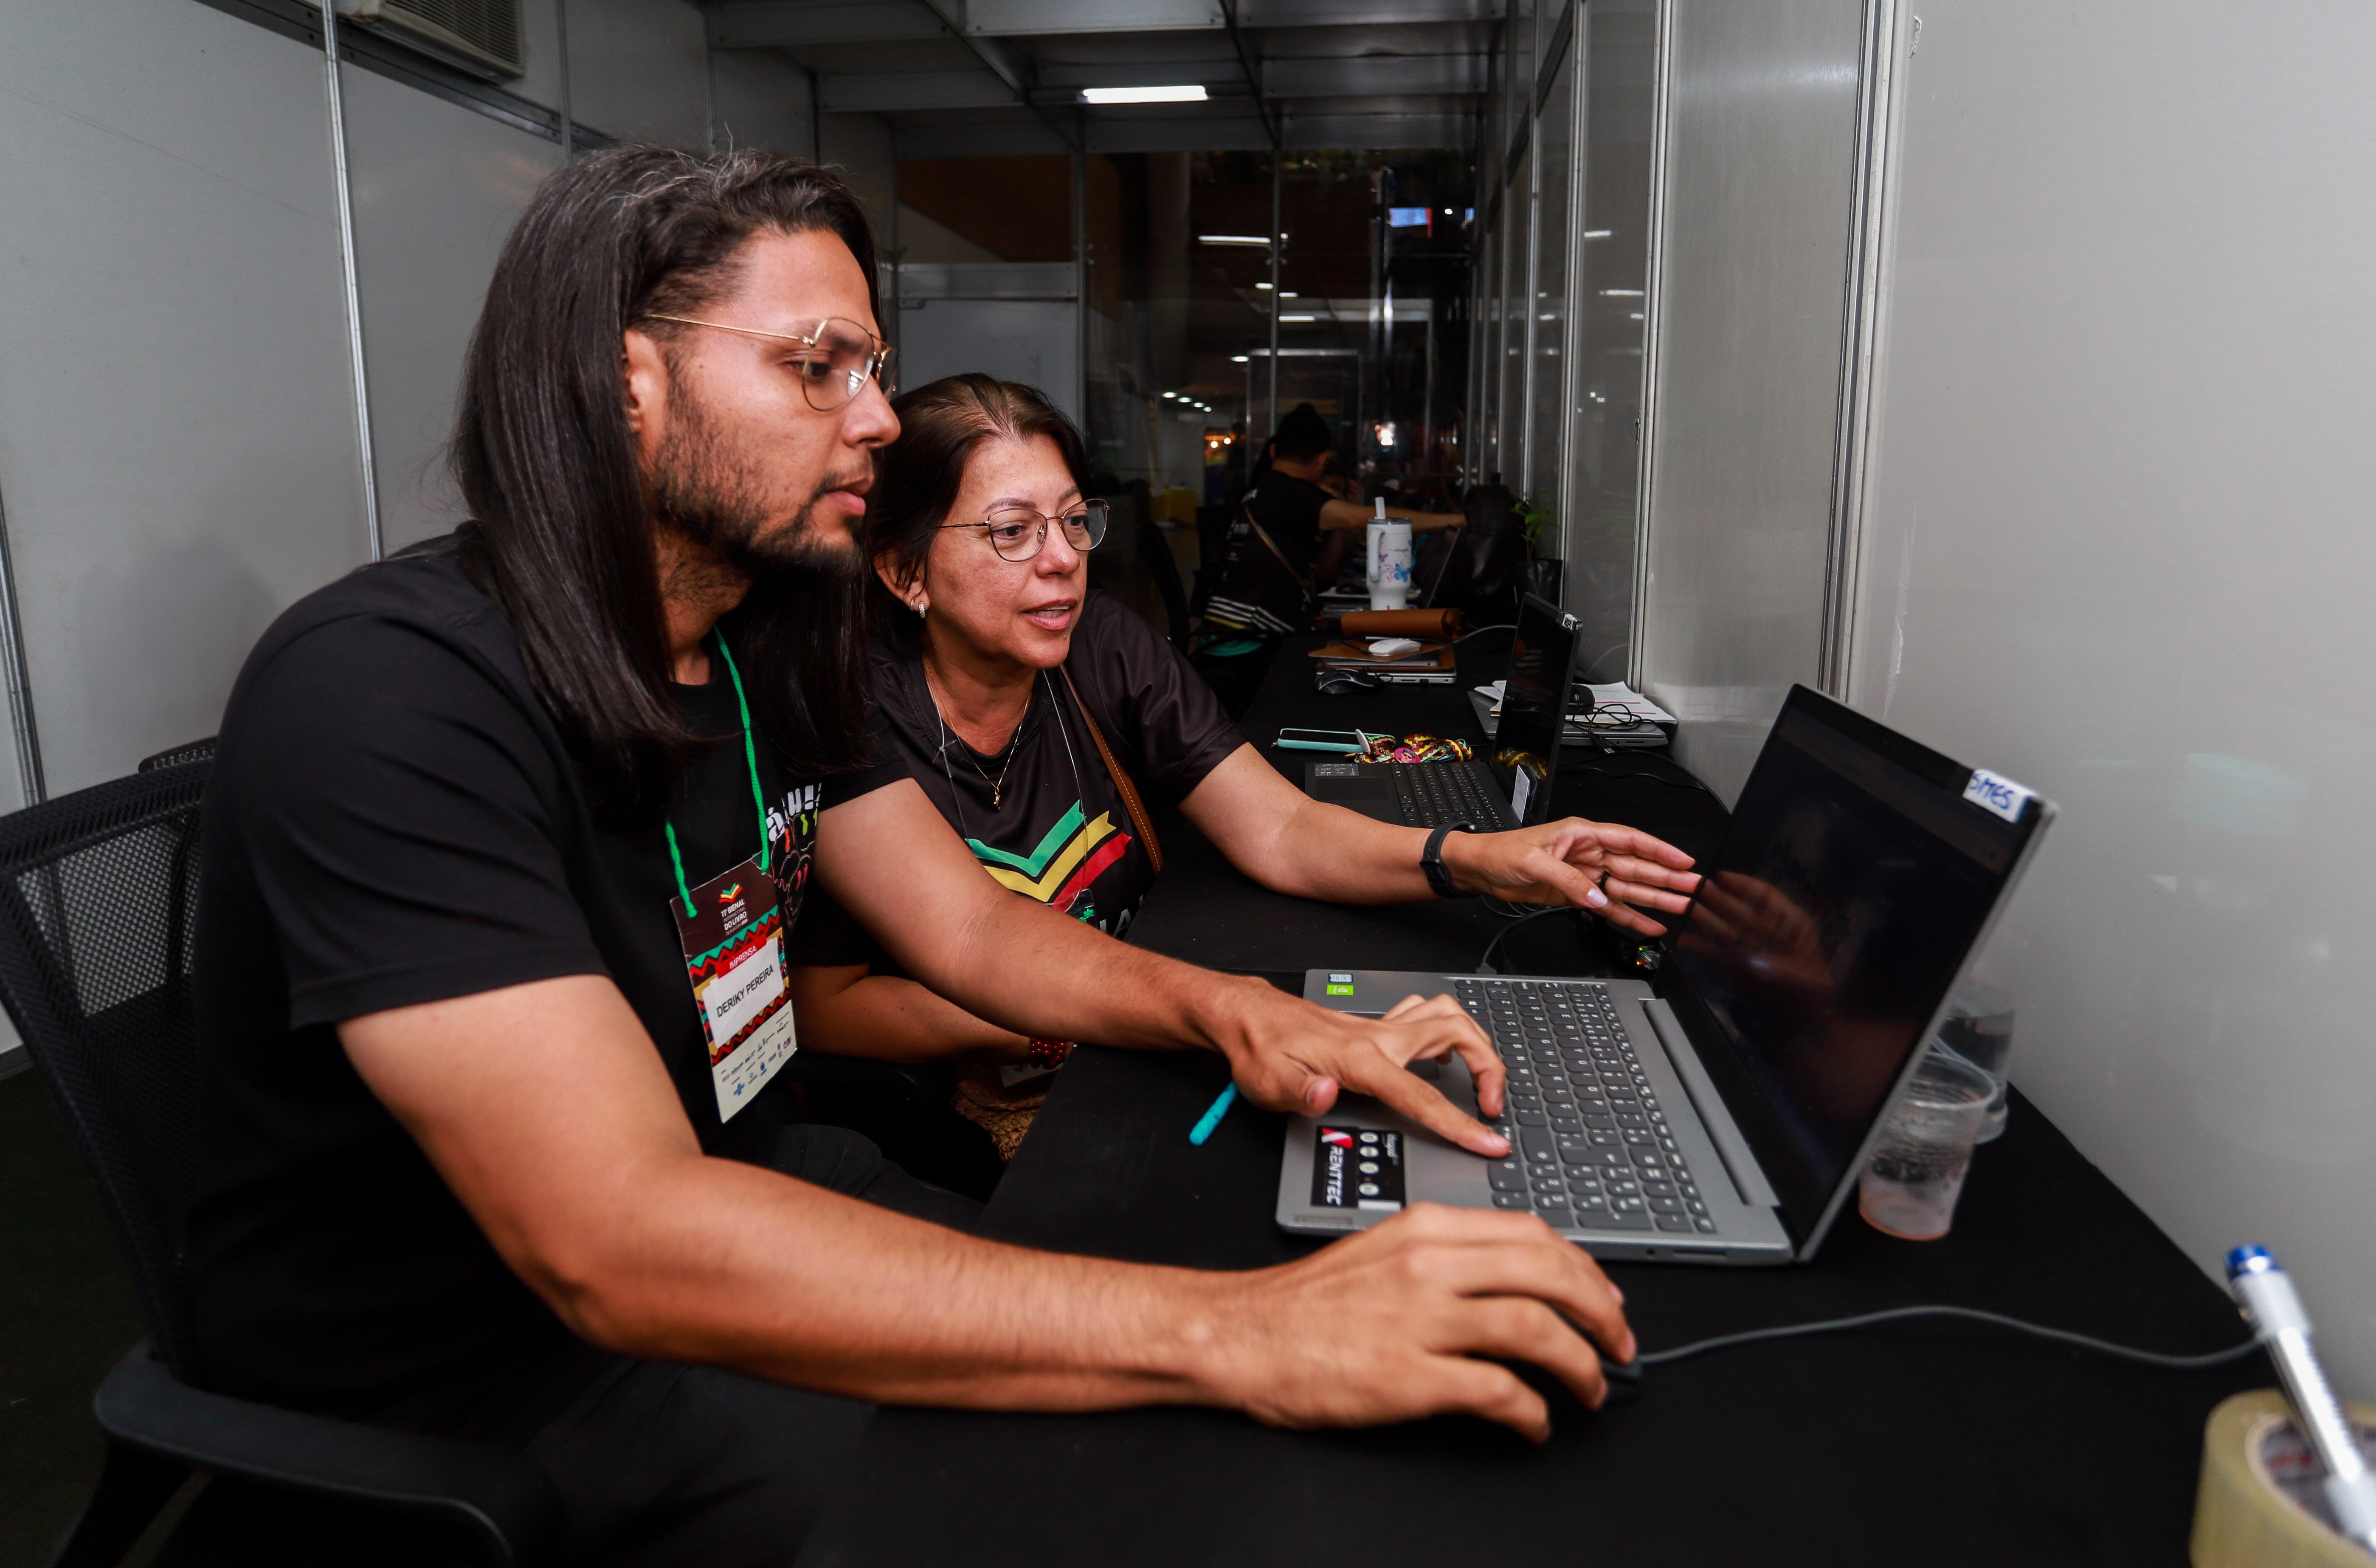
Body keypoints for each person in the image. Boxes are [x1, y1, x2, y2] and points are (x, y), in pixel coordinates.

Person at [186, 146, 1635, 1567]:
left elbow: (975, 932)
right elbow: (614, 1239)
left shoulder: (757, 648)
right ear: (625, 382)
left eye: (870, 368)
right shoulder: (388, 689)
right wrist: (1237, 1334)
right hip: (498, 1373)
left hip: (766, 1179)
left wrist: (1243, 1012)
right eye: (818, 366)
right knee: (1156, 1455)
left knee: (1203, 1356)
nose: (877, 418)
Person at [785, 374, 1701, 1161]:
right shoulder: (849, 710)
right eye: (1011, 531)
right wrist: (1081, 1011)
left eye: (1071, 520)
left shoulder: (1098, 644)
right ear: (904, 572)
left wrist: (1475, 858)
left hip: (1135, 1039)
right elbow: (833, 1003)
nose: (1063, 560)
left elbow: (1279, 825)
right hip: (1001, 1103)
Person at [1193, 402, 1462, 712]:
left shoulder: (1264, 491)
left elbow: (1325, 569)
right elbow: (1368, 520)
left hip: (1223, 635)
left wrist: (1339, 516)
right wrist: (1453, 520)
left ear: (1274, 450)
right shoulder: (1293, 494)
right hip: (1246, 644)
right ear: (1322, 460)